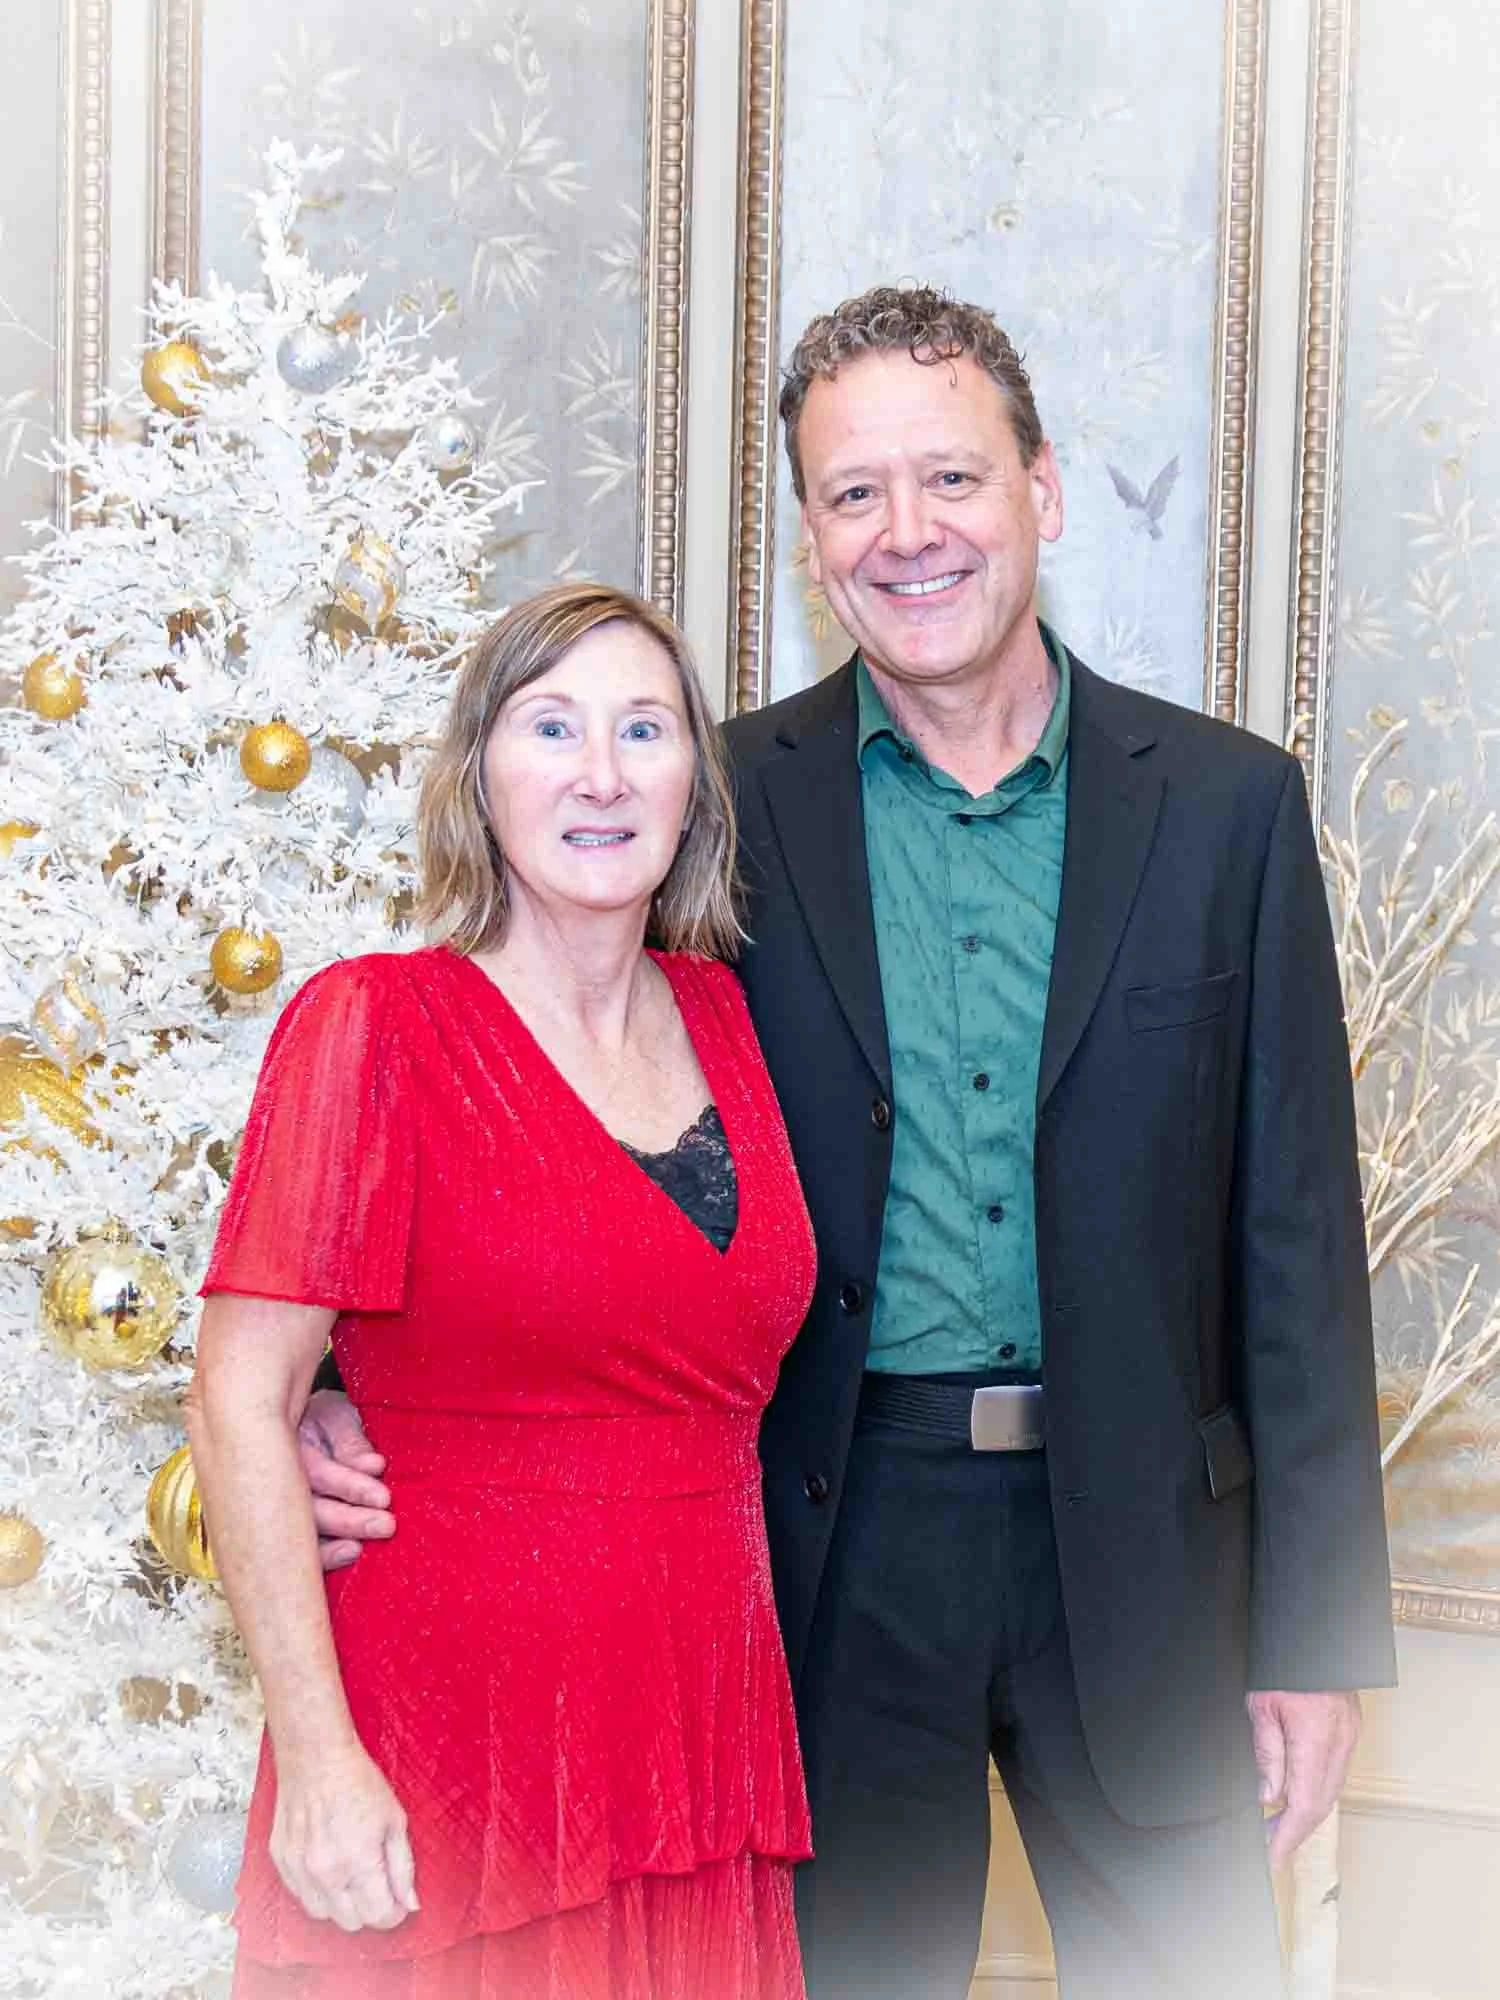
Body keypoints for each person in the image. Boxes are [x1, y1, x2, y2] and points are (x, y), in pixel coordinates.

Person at [299, 288, 1397, 2000]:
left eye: (950, 478)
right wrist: (343, 1384)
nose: (909, 533)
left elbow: (1299, 1251)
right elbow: (548, 1107)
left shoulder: (1228, 806)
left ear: (1041, 489)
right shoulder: (710, 807)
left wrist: (1316, 1641)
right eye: (854, 493)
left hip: (1162, 1564)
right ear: (808, 538)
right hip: (824, 1550)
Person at [187, 582, 816, 2000]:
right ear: (481, 773)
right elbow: (240, 1393)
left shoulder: (730, 1016)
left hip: (697, 1760)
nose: (601, 774)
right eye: (553, 726)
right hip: (443, 1774)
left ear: (691, 787)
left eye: (643, 729)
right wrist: (321, 1760)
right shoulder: (376, 1026)